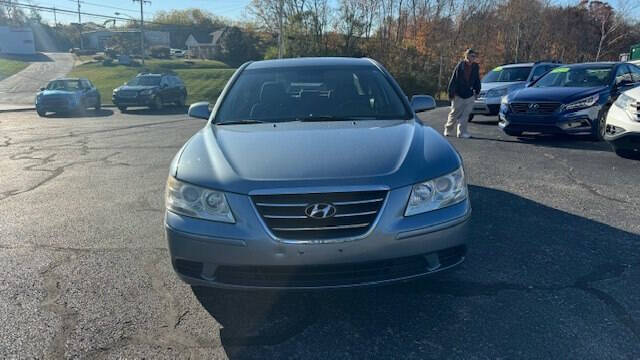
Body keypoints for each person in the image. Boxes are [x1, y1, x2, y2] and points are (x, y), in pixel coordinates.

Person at [445, 48, 481, 138]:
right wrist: (451, 94)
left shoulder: (475, 67)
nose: (474, 58)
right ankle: (448, 129)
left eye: (475, 56)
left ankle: (462, 132)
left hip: (469, 94)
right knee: (454, 113)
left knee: (465, 115)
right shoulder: (460, 66)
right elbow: (454, 80)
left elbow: (477, 79)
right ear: (467, 56)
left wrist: (477, 91)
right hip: (458, 94)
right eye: (472, 56)